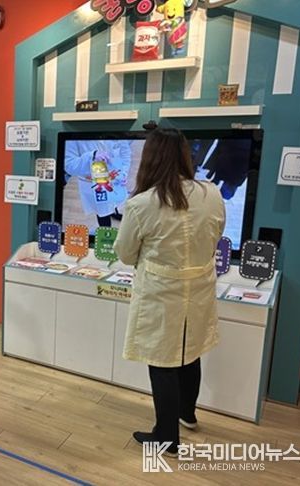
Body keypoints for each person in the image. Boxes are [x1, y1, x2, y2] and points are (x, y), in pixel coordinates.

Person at [113, 128, 225, 455]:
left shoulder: (141, 204)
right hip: (200, 287)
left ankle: (166, 436)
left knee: (162, 361)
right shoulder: (211, 193)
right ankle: (187, 413)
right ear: (186, 155)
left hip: (161, 292)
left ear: (150, 158)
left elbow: (125, 253)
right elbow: (217, 234)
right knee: (191, 350)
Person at [64, 139, 133, 227]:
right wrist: (91, 156)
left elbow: (125, 151)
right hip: (92, 182)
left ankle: (114, 212)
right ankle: (106, 233)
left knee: (114, 200)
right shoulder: (73, 139)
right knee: (102, 212)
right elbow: (69, 165)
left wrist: (124, 172)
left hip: (114, 177)